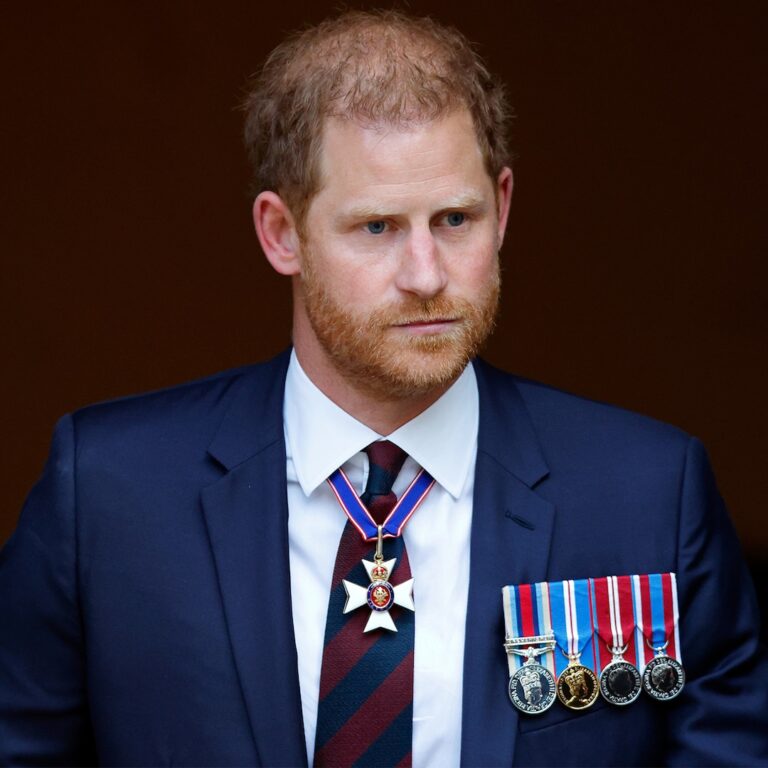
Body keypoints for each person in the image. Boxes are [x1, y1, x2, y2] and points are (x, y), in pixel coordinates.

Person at [1, 10, 766, 767]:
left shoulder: (648, 492)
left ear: (502, 208)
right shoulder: (109, 493)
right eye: (377, 227)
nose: (426, 275)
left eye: (455, 219)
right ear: (281, 233)